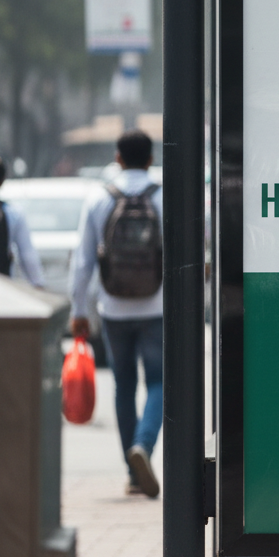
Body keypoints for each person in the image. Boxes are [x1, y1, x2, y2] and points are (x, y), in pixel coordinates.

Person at [69, 130, 163, 497]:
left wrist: (79, 310)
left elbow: (82, 263)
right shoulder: (164, 195)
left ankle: (132, 470)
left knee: (124, 385)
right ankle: (144, 445)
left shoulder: (98, 198)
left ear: (117, 158)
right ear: (151, 159)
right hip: (156, 306)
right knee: (157, 382)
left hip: (113, 308)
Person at [0, 153, 45, 287]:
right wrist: (38, 285)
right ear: (1, 182)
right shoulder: (12, 212)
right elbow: (27, 256)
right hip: (1, 290)